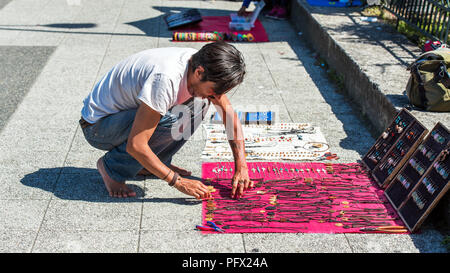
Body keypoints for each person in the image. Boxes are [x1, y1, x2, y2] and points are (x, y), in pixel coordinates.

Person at [80, 42, 252, 199]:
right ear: (199, 72)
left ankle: (148, 164)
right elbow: (136, 145)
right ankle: (112, 169)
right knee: (171, 119)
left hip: (124, 117)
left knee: (198, 104)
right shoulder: (166, 79)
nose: (215, 97)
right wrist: (178, 182)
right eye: (213, 91)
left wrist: (241, 166)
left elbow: (229, 117)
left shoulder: (203, 63)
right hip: (98, 127)